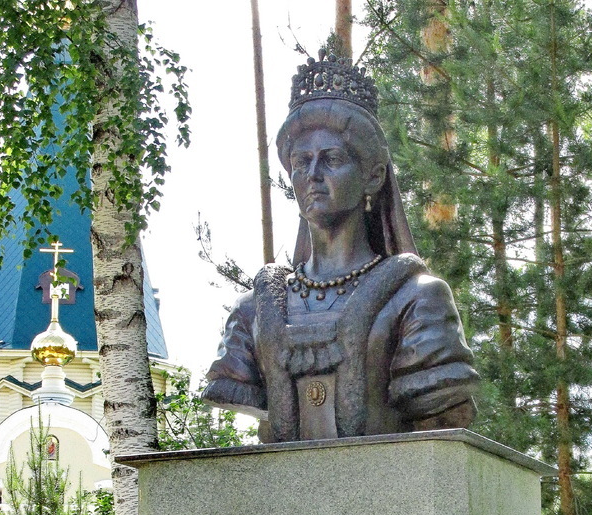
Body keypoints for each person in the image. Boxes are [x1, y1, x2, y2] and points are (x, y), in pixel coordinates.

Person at [202, 50, 479, 443]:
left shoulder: (418, 299)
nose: (312, 175)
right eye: (301, 162)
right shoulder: (252, 312)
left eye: (331, 159)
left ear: (373, 177)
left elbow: (441, 420)